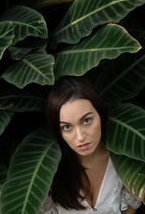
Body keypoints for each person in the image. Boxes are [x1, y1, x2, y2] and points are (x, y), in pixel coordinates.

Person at [39, 76, 141, 214]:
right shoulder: (48, 171)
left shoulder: (124, 165)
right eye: (67, 127)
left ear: (100, 114)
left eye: (86, 120)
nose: (80, 137)